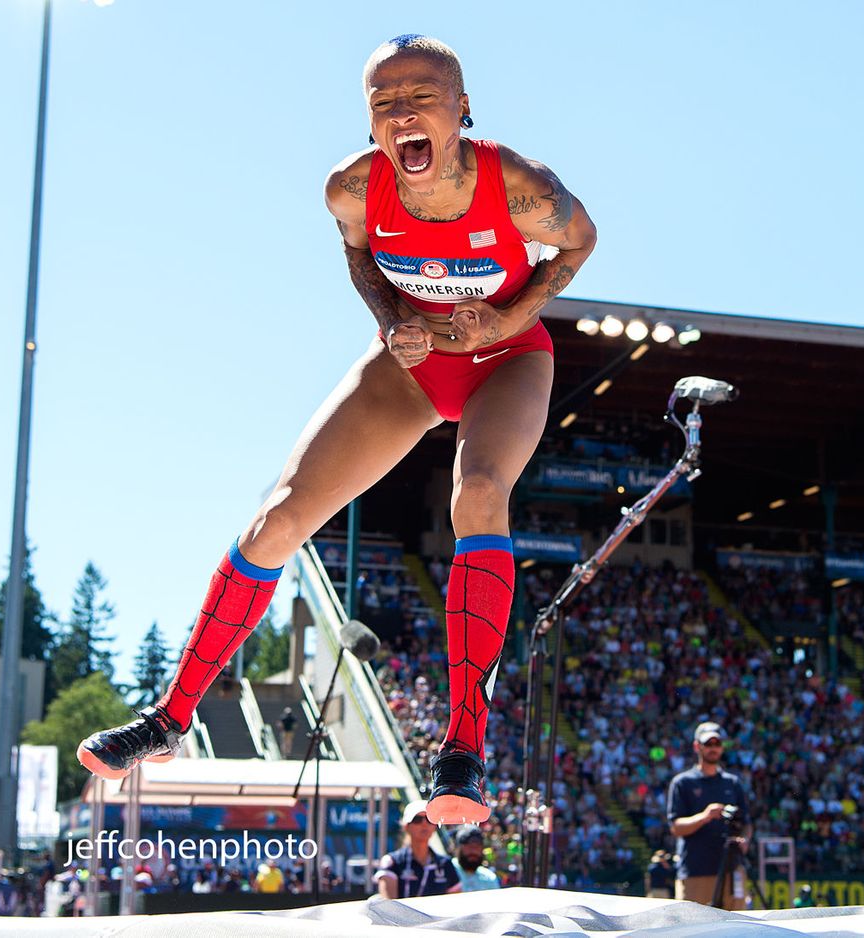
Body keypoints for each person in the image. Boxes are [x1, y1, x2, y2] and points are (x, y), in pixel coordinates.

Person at [76, 33, 596, 827]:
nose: (402, 113)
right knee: (278, 518)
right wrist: (391, 320)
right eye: (384, 102)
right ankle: (169, 718)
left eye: (421, 97)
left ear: (462, 109)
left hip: (506, 360)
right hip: (412, 363)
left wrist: (509, 317)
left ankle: (462, 752)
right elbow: (359, 259)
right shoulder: (351, 189)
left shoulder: (520, 186)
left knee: (480, 492)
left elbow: (581, 240)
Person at [667, 722, 750, 908]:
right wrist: (705, 816)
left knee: (738, 923)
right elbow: (675, 827)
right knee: (694, 924)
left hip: (732, 869)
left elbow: (746, 823)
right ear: (697, 746)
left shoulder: (732, 783)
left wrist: (744, 840)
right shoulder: (683, 783)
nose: (713, 748)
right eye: (708, 744)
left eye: (717, 743)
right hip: (696, 871)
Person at [374, 799, 462, 899]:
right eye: (417, 819)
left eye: (429, 819)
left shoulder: (445, 864)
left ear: (435, 826)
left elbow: (455, 902)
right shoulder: (392, 862)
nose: (424, 824)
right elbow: (388, 904)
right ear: (406, 826)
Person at [450, 824, 500, 891]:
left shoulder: (489, 878)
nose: (473, 851)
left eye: (477, 847)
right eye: (469, 847)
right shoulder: (447, 871)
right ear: (459, 848)